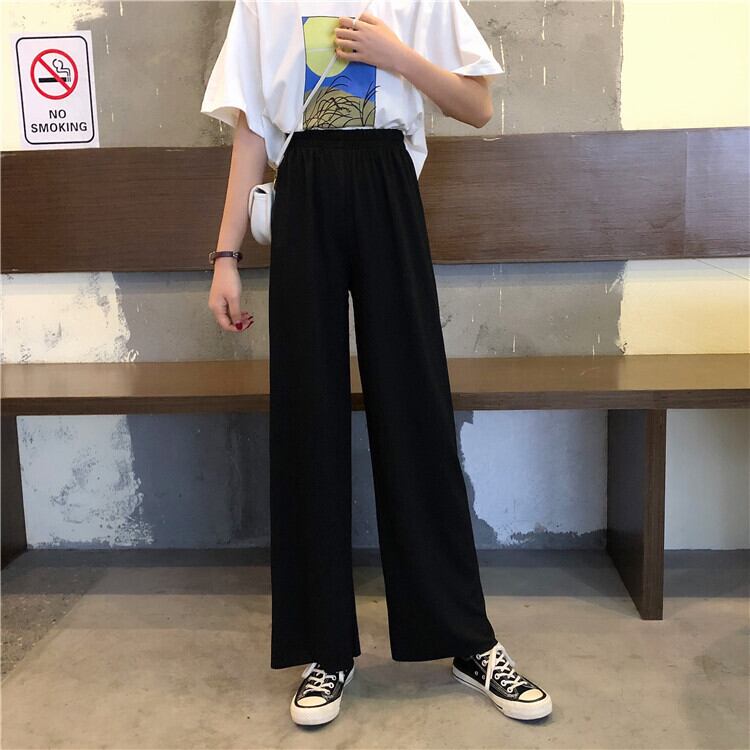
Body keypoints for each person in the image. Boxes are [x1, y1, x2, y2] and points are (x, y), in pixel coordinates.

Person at [200, 0, 552, 727]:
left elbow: (476, 107)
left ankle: (465, 638)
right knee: (307, 412)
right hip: (303, 188)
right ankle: (325, 646)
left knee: (415, 404)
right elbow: (252, 130)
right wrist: (225, 255)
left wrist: (399, 58)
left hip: (388, 182)